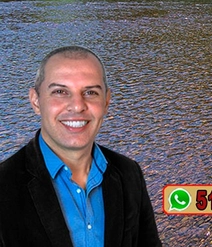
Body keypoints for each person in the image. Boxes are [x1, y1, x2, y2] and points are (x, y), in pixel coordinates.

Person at [0, 46, 162, 247]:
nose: (77, 106)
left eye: (90, 92)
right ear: (36, 101)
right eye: (60, 92)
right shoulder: (4, 186)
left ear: (106, 101)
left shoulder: (129, 173)